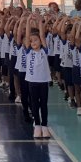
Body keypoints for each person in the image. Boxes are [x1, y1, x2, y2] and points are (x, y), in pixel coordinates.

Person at [24, 11, 51, 139]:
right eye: (31, 41)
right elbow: (27, 35)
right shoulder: (29, 51)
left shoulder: (44, 50)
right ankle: (38, 126)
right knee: (34, 104)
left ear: (40, 41)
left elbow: (42, 34)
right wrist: (28, 21)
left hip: (43, 81)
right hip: (32, 81)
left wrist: (40, 21)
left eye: (36, 40)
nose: (33, 42)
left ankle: (45, 126)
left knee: (43, 104)